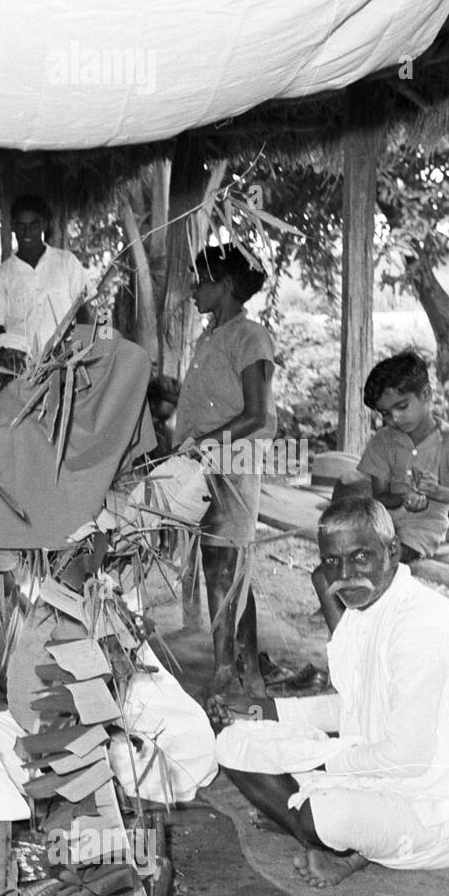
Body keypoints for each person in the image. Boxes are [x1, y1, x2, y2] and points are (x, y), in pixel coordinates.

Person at [211, 497, 449, 887]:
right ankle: (326, 837)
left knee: (326, 815)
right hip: (371, 771)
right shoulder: (367, 608)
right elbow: (350, 705)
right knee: (234, 743)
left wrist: (317, 763)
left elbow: (407, 761)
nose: (345, 574)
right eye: (332, 562)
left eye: (361, 556)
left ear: (391, 551)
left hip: (431, 807)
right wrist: (264, 709)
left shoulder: (422, 625)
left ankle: (333, 843)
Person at [161, 243, 276, 697]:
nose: (192, 290)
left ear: (225, 286)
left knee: (226, 567)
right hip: (206, 463)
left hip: (231, 464)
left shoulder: (251, 337)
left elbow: (256, 416)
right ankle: (242, 667)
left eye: (200, 282)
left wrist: (200, 447)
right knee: (226, 567)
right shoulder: (211, 336)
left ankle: (228, 672)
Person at [342, 352, 449, 566]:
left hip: (422, 532)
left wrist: (437, 492)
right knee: (343, 551)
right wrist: (403, 497)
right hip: (381, 524)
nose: (394, 418)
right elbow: (381, 496)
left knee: (385, 559)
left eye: (402, 406)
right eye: (385, 413)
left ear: (426, 394)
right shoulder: (383, 441)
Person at [0, 194, 89, 377]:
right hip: (22, 371)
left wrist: (89, 353)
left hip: (65, 365)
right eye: (21, 225)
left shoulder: (66, 263)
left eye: (34, 225)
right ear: (12, 226)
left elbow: (85, 314)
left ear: (45, 225)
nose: (27, 232)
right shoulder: (1, 276)